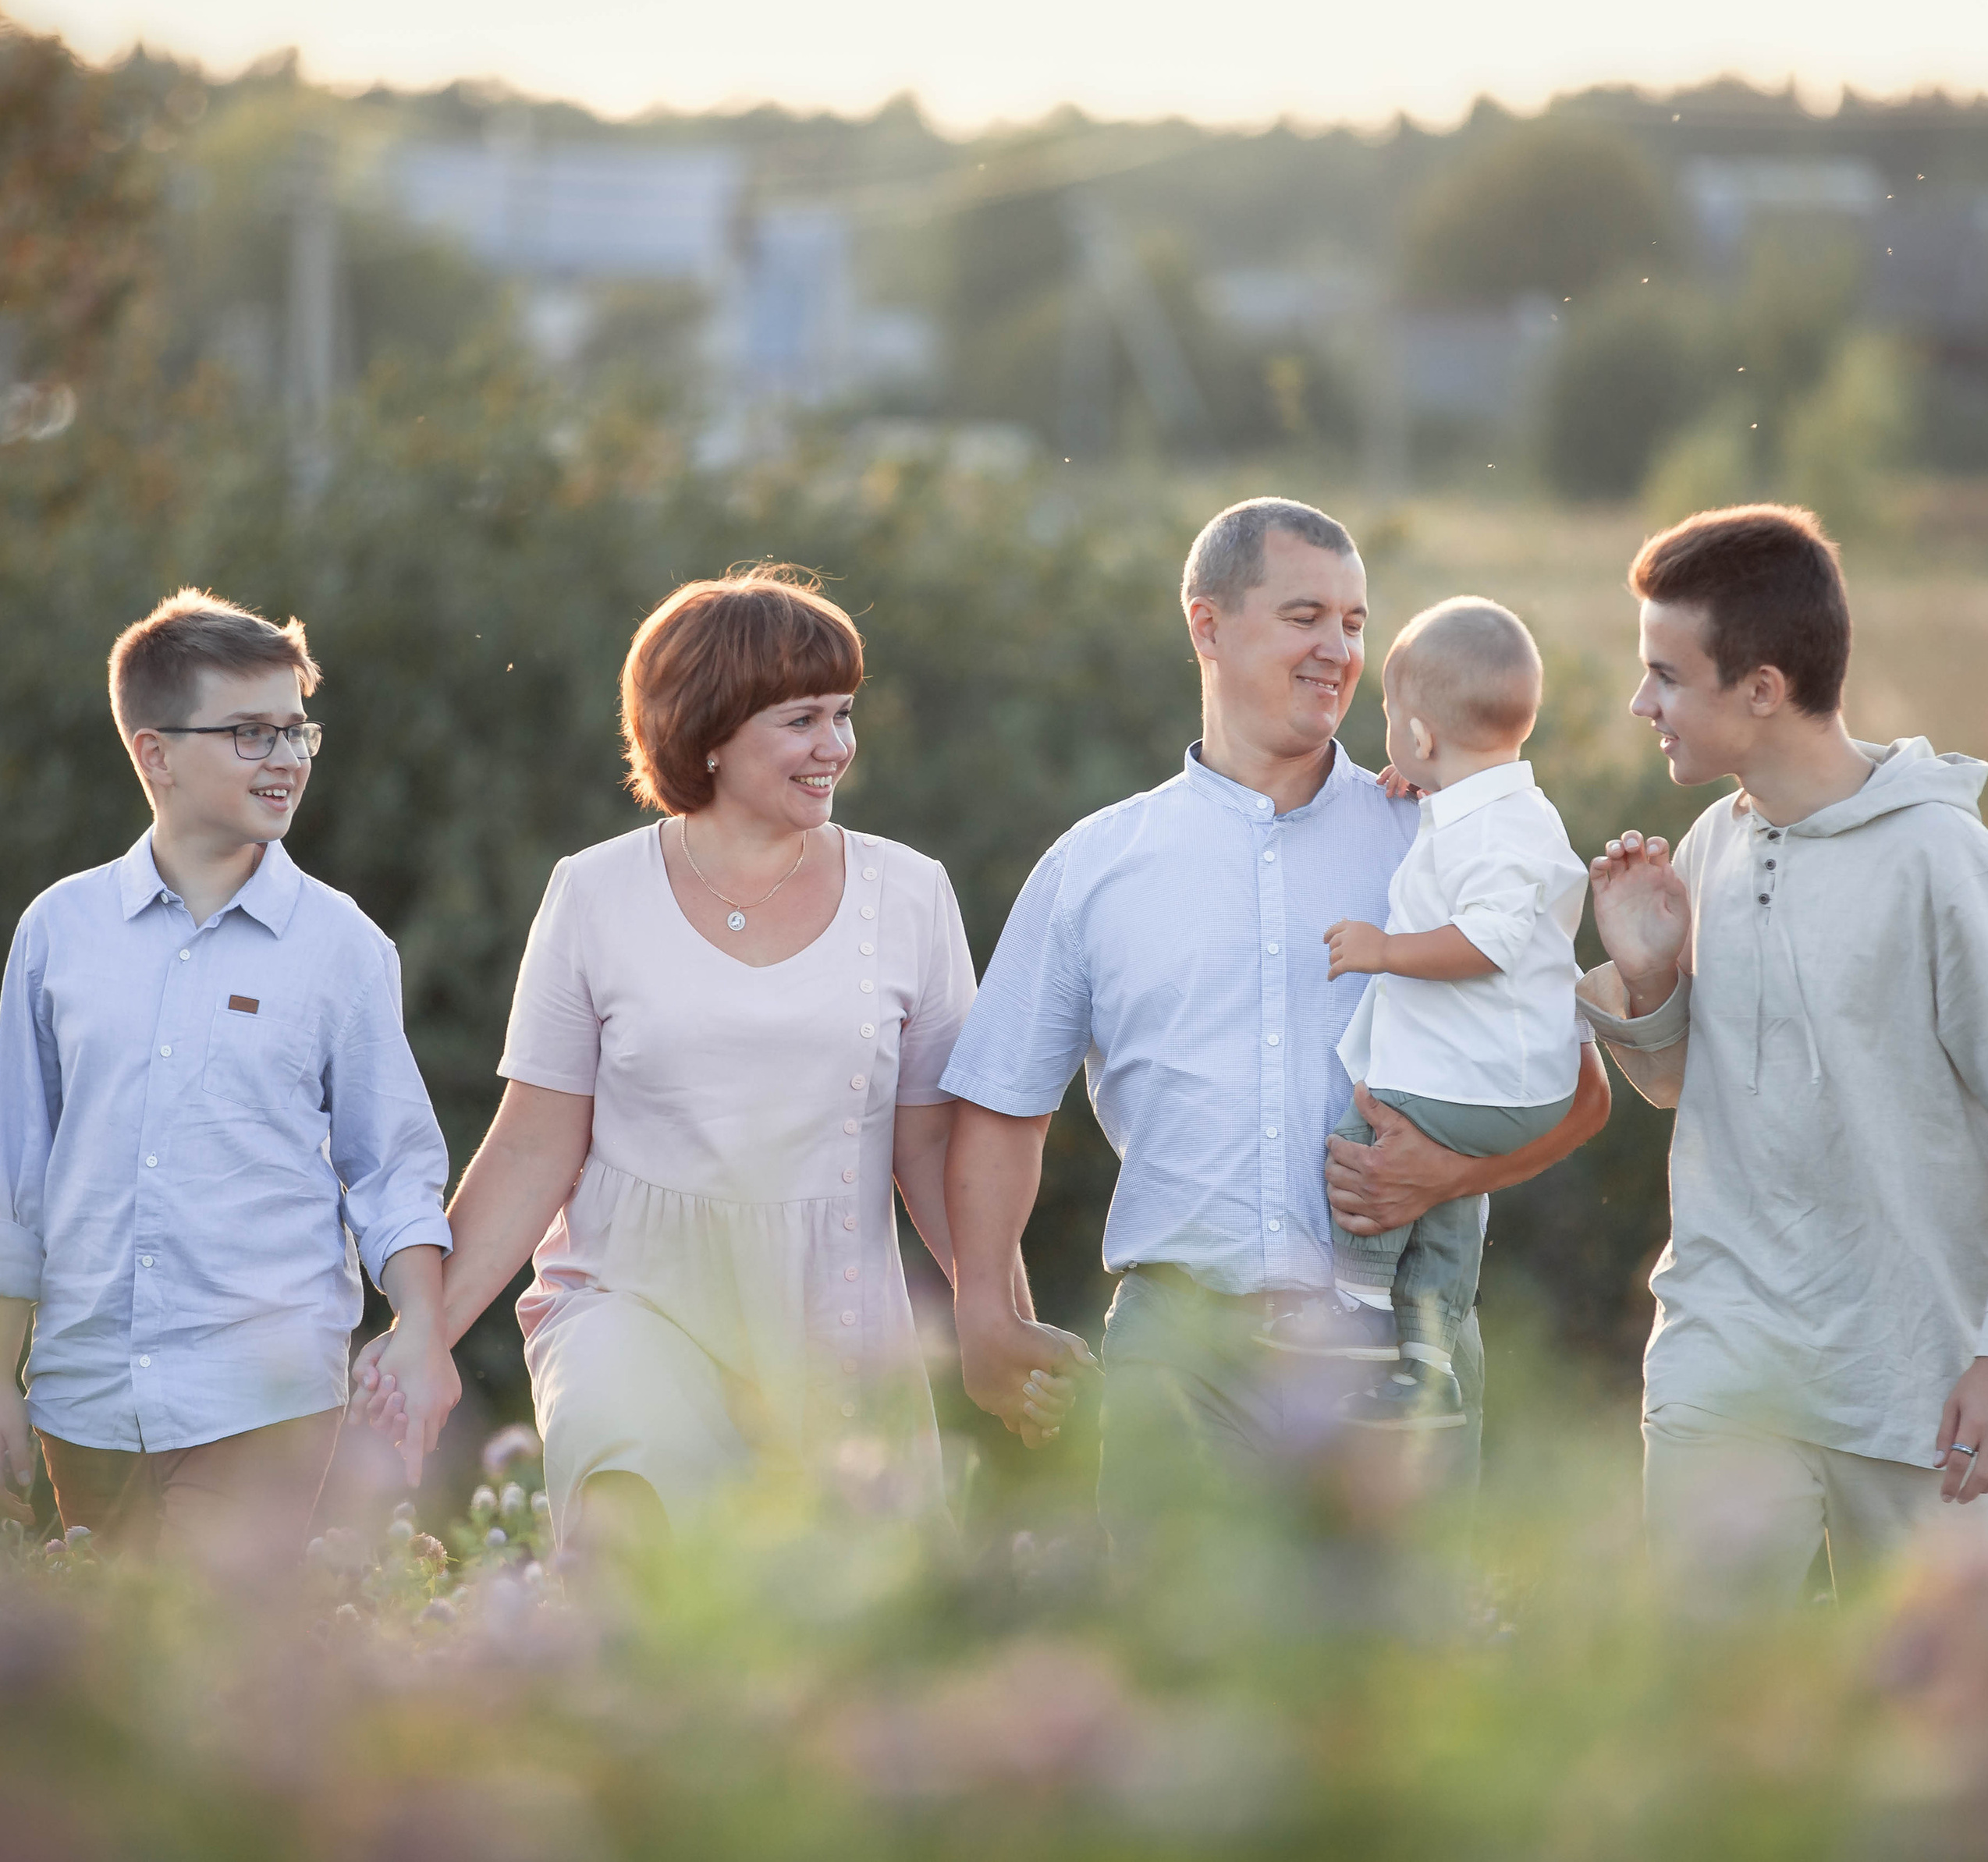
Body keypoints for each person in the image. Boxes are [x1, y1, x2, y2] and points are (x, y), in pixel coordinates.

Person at [941, 498, 1610, 1552]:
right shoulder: (1096, 865)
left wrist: (1444, 1177)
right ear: (1207, 626)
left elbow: (1579, 1091)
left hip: (1397, 1348)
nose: (1339, 651)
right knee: (1171, 1687)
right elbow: (1001, 1106)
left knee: (1392, 1695)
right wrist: (984, 1307)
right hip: (1179, 1349)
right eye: (1306, 616)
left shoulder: (1441, 842)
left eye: (1354, 622)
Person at [357, 566, 1070, 1546]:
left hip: (833, 1322)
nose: (837, 748)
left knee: (821, 1651)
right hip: (629, 1297)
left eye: (843, 715)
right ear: (710, 728)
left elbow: (935, 1150)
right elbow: (533, 1145)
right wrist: (421, 1329)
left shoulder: (909, 894)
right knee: (627, 1532)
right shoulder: (592, 894)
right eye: (802, 721)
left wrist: (996, 1321)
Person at [1584, 504, 1988, 1609]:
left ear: (1761, 688)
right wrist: (1651, 978)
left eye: (1666, 676)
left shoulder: (1941, 860)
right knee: (1715, 1716)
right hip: (1728, 1356)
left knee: (1930, 1746)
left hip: (1920, 1377)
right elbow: (1692, 1088)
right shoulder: (1716, 842)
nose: (1642, 705)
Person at [0, 590, 455, 1570]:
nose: (287, 759)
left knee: (209, 1654)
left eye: (297, 732)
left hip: (265, 1385)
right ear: (154, 753)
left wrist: (422, 1325)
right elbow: (16, 1179)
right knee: (108, 1679)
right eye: (251, 734)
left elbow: (392, 1169)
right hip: (84, 1389)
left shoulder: (342, 947)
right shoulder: (56, 934)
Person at [1316, 598, 1588, 1431]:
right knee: (1445, 1202)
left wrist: (1383, 950)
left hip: (1498, 1085)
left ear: (1423, 733)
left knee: (1377, 1127)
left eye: (1394, 725)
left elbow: (1488, 938)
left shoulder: (1500, 830)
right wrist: (1426, 786)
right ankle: (1428, 1357)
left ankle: (1355, 1321)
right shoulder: (1485, 809)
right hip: (1515, 1087)